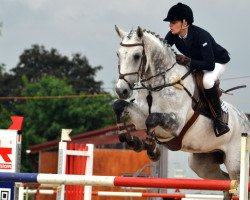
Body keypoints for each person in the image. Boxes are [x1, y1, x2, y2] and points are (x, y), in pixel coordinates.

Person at [163, 2, 230, 136]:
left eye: (174, 21)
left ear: (184, 23)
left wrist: (188, 61)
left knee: (207, 81)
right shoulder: (172, 34)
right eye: (170, 21)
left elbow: (209, 65)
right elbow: (164, 50)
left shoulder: (201, 36)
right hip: (198, 62)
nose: (170, 24)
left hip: (217, 62)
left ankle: (218, 120)